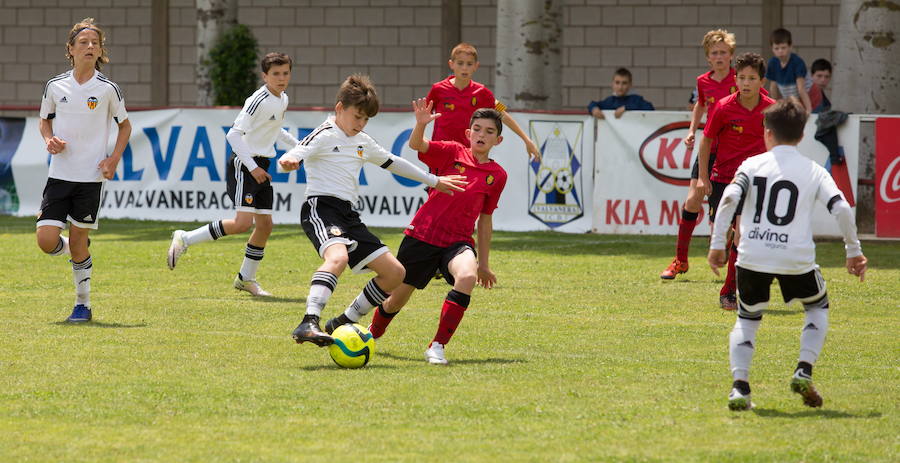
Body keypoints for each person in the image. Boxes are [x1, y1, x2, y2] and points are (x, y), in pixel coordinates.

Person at [277, 75, 466, 347]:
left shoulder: (362, 140)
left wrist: (435, 181)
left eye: (366, 119)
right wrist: (288, 163)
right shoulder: (324, 133)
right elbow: (295, 154)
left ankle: (342, 322)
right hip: (321, 208)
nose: (361, 124)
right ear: (340, 108)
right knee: (338, 257)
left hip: (348, 215)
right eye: (357, 116)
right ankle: (308, 321)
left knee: (395, 274)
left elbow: (394, 162)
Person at [708, 99, 867, 411]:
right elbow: (843, 209)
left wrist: (717, 244)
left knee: (747, 318)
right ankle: (803, 369)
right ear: (803, 135)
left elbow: (728, 199)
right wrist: (854, 251)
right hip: (796, 257)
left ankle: (740, 387)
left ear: (767, 133)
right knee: (817, 307)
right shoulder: (812, 170)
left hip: (753, 254)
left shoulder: (751, 166)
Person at [331, 101, 508, 365]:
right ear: (468, 134)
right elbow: (417, 146)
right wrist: (422, 124)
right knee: (393, 302)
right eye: (477, 129)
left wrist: (484, 263)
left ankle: (437, 346)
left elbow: (485, 220)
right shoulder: (452, 151)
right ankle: (372, 334)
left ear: (499, 139)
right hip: (422, 236)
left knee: (467, 276)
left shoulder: (497, 175)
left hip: (457, 243)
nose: (482, 135)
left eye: (489, 131)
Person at [167, 53, 297, 297]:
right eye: (276, 74)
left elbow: (276, 129)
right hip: (245, 164)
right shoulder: (257, 100)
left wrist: (300, 149)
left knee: (266, 225)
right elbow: (233, 135)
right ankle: (185, 238)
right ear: (264, 76)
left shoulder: (282, 99)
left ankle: (246, 279)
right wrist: (253, 167)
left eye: (285, 73)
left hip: (262, 165)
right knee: (242, 223)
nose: (281, 78)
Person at [36, 18, 131, 323]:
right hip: (59, 175)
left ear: (101, 50)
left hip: (90, 178)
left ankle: (83, 305)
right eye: (84, 43)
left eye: (95, 43)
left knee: (78, 243)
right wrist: (50, 140)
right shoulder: (55, 85)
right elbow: (44, 120)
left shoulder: (107, 89)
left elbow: (125, 126)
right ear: (71, 49)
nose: (90, 47)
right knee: (46, 240)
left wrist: (113, 158)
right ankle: (76, 246)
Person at [697, 52, 775, 310]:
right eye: (741, 77)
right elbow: (706, 140)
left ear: (761, 81)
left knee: (744, 235)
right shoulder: (723, 107)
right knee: (734, 234)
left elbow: (778, 143)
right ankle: (732, 280)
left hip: (756, 181)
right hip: (723, 180)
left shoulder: (771, 109)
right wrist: (703, 177)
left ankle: (730, 289)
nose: (746, 83)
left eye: (752, 78)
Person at [661, 29, 737, 280]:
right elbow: (701, 104)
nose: (719, 57)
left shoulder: (741, 79)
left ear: (730, 55)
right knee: (692, 200)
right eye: (714, 53)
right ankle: (680, 261)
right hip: (709, 148)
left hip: (734, 152)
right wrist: (692, 130)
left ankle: (731, 256)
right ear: (708, 58)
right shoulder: (703, 81)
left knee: (729, 209)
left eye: (723, 52)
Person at [426, 42, 540, 161]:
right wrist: (421, 140)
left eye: (469, 64)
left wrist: (526, 140)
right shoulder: (437, 89)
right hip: (441, 155)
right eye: (460, 63)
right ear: (451, 64)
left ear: (476, 66)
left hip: (468, 157)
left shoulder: (483, 92)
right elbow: (422, 117)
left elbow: (503, 113)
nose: (464, 68)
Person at [766, 28, 813, 114]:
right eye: (776, 48)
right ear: (772, 49)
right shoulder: (772, 63)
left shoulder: (797, 62)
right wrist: (775, 106)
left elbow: (801, 89)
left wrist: (809, 110)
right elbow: (773, 87)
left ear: (790, 47)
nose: (780, 51)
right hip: (792, 98)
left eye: (783, 48)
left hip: (809, 96)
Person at [587, 68, 655, 119]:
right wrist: (594, 108)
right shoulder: (610, 101)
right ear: (612, 84)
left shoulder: (636, 99)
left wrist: (626, 108)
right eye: (617, 82)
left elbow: (650, 108)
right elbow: (592, 104)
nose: (620, 87)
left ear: (630, 85)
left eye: (624, 83)